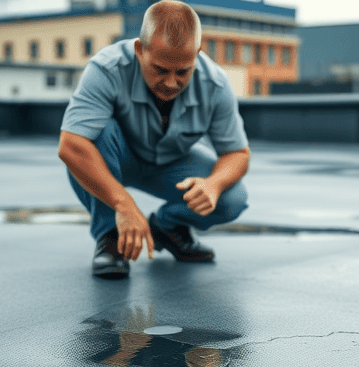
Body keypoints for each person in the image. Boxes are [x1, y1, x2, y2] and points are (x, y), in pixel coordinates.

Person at [58, 0, 250, 278]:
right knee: (93, 134)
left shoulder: (216, 84)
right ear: (140, 50)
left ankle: (168, 227)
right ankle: (110, 237)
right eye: (160, 69)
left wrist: (213, 184)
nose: (171, 83)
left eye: (182, 71)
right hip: (117, 157)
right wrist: (123, 204)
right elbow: (71, 146)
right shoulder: (106, 68)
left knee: (233, 197)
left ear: (196, 54)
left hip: (172, 164)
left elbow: (238, 154)